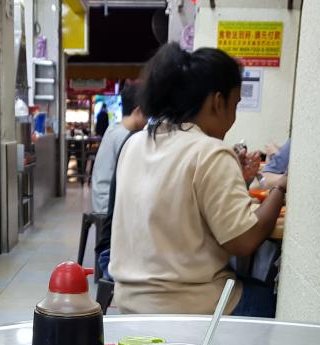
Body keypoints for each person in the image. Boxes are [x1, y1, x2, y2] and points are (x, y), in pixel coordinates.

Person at [109, 43, 286, 317]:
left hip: (129, 303)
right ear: (217, 102)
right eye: (235, 104)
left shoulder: (135, 144)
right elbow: (244, 240)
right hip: (189, 308)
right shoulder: (209, 151)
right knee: (277, 303)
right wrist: (278, 189)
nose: (233, 118)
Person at [89, 83, 146, 215]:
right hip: (109, 205)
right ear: (138, 112)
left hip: (102, 199)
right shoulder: (125, 137)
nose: (148, 121)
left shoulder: (114, 129)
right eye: (147, 115)